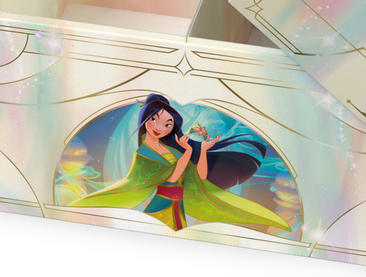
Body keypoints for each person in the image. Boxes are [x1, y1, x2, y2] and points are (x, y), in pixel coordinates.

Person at [71, 95, 289, 233]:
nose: (159, 127)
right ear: (146, 119)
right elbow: (173, 177)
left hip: (178, 207)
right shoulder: (143, 154)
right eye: (155, 119)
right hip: (160, 206)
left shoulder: (175, 150)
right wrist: (188, 152)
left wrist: (202, 151)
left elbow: (201, 176)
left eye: (167, 124)